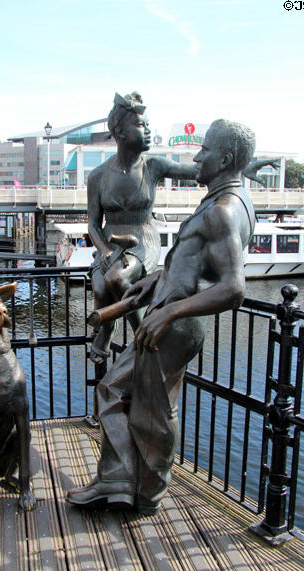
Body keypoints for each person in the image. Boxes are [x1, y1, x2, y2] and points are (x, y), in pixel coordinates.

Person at [67, 119, 256, 515]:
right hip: (169, 315)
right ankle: (122, 482)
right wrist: (155, 279)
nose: (197, 157)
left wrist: (168, 310)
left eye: (204, 150)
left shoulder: (222, 211)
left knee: (138, 402)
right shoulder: (231, 201)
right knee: (129, 395)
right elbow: (193, 266)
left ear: (224, 159)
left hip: (172, 324)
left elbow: (233, 288)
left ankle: (141, 490)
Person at [88, 92, 273, 364]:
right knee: (101, 290)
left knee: (116, 280)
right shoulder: (98, 175)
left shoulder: (154, 166)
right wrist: (103, 250)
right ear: (119, 132)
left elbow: (197, 170)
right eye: (141, 126)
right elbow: (92, 223)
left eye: (149, 125)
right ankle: (107, 331)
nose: (149, 131)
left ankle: (141, 338)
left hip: (141, 239)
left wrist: (240, 168)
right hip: (109, 243)